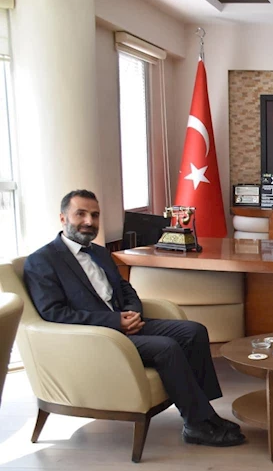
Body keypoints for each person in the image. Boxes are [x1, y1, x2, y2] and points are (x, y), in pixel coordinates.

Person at [24, 190, 246, 448]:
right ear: (63, 218)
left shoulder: (100, 253)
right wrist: (115, 322)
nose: (89, 221)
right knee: (166, 348)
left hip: (125, 325)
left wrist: (132, 312)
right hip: (97, 338)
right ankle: (197, 425)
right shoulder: (42, 261)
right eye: (80, 214)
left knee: (194, 331)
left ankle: (204, 413)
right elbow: (55, 314)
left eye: (94, 215)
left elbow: (125, 288)